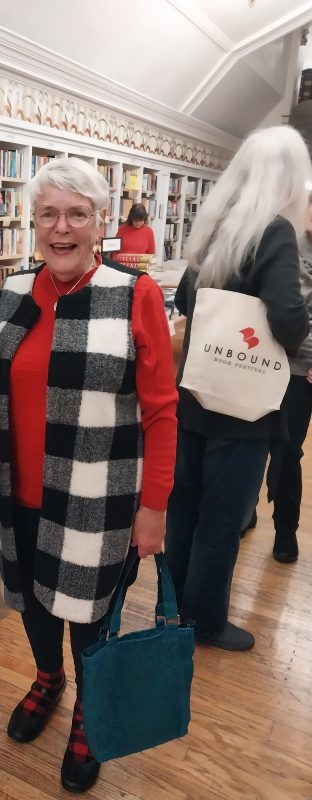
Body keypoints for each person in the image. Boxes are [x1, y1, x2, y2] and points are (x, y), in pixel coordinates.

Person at [0, 158, 178, 793]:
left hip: (99, 499)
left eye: (77, 214)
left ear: (101, 223)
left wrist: (154, 508)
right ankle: (48, 678)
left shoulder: (136, 294)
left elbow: (161, 411)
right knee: (32, 602)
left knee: (91, 615)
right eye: (49, 214)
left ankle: (88, 708)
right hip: (18, 490)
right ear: (34, 224)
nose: (62, 227)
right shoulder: (13, 294)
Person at [165, 125, 311, 652]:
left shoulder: (215, 226)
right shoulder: (275, 232)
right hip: (245, 406)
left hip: (197, 391)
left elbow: (185, 301)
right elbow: (290, 320)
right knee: (223, 517)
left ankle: (174, 606)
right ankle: (204, 621)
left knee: (185, 507)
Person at [265, 199, 312, 563]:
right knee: (248, 440)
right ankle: (245, 511)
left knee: (288, 450)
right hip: (263, 360)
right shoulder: (285, 241)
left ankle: (285, 530)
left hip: (303, 372)